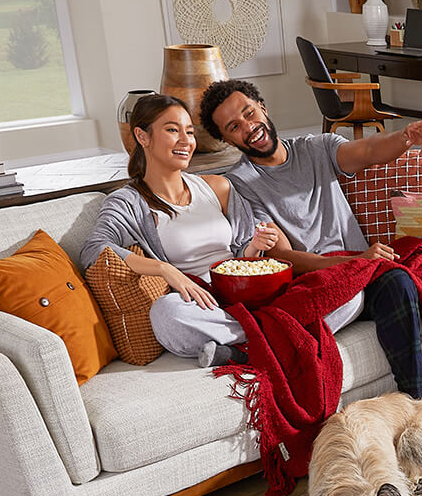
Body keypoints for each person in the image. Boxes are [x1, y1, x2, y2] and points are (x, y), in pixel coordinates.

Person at [198, 78, 422, 450]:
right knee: (398, 282)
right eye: (233, 127)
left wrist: (405, 138)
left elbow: (369, 149)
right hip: (324, 278)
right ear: (228, 140)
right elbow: (283, 257)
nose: (248, 127)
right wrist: (357, 260)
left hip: (367, 266)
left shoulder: (315, 148)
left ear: (262, 107)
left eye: (248, 113)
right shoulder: (240, 183)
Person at [80, 93, 364, 367]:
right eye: (172, 130)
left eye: (189, 132)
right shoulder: (129, 202)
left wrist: (255, 246)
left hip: (250, 295)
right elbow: (94, 250)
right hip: (204, 304)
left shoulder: (217, 186)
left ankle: (245, 351)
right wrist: (166, 271)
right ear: (143, 137)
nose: (185, 141)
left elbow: (244, 253)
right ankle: (276, 340)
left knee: (350, 294)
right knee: (166, 313)